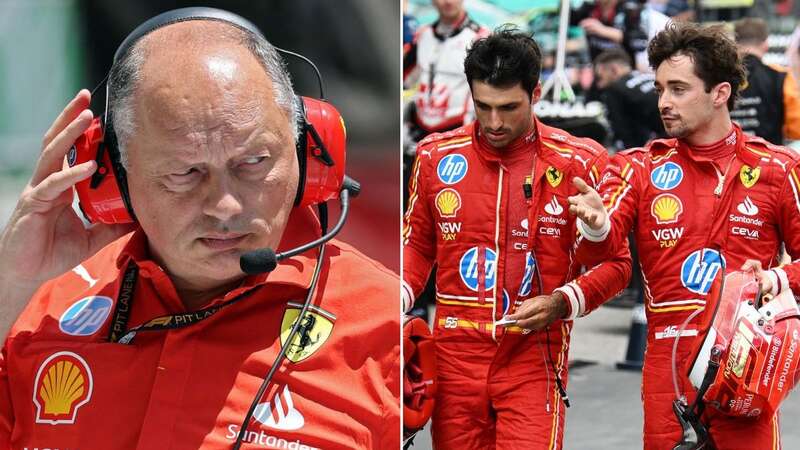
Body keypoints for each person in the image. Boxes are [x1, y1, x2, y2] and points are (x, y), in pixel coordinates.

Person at [0, 8, 399, 450]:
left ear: (310, 156)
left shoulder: (387, 329)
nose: (225, 206)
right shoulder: (31, 311)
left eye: (253, 163)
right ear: (114, 175)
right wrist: (12, 288)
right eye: (185, 173)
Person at [570, 22, 800, 448]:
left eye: (678, 89)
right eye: (660, 89)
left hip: (746, 370)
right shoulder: (637, 168)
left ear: (720, 93)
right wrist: (595, 224)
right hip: (667, 372)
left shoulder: (777, 169)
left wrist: (776, 279)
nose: (664, 103)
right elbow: (597, 253)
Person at [402, 27, 631, 448]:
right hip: (454, 354)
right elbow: (416, 244)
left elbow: (617, 265)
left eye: (508, 107)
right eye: (483, 106)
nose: (493, 122)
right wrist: (394, 299)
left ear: (536, 93)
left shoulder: (582, 161)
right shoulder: (435, 156)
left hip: (534, 354)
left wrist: (564, 300)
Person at [403, 0, 489, 139]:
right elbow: (404, 79)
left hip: (459, 131)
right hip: (419, 131)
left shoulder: (480, 37)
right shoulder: (422, 34)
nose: (448, 1)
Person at [731, 17, 800, 145]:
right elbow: (796, 128)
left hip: (726, 159)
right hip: (768, 158)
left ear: (735, 45)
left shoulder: (717, 76)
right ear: (766, 44)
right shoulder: (781, 76)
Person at [593, 48, 665, 149]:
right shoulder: (648, 76)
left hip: (668, 132)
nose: (599, 85)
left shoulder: (614, 90)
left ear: (614, 70)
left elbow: (623, 131)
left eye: (599, 77)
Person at [571, 0, 670, 71]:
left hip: (624, 71)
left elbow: (640, 42)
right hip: (598, 70)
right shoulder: (589, 9)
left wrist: (604, 31)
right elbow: (568, 20)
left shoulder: (631, 9)